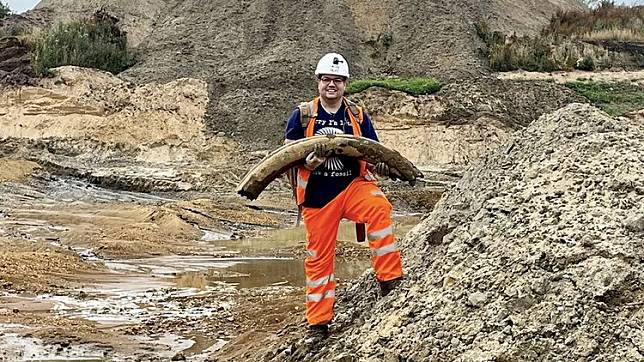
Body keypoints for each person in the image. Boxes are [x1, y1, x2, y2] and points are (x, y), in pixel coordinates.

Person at [284, 52, 403, 339]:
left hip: (352, 187)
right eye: (327, 79)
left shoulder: (358, 116)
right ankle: (318, 324)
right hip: (317, 196)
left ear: (345, 84)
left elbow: (373, 153)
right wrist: (309, 162)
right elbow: (286, 156)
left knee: (378, 206)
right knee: (319, 259)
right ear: (318, 82)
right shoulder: (302, 116)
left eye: (338, 80)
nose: (332, 85)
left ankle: (390, 280)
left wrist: (384, 167)